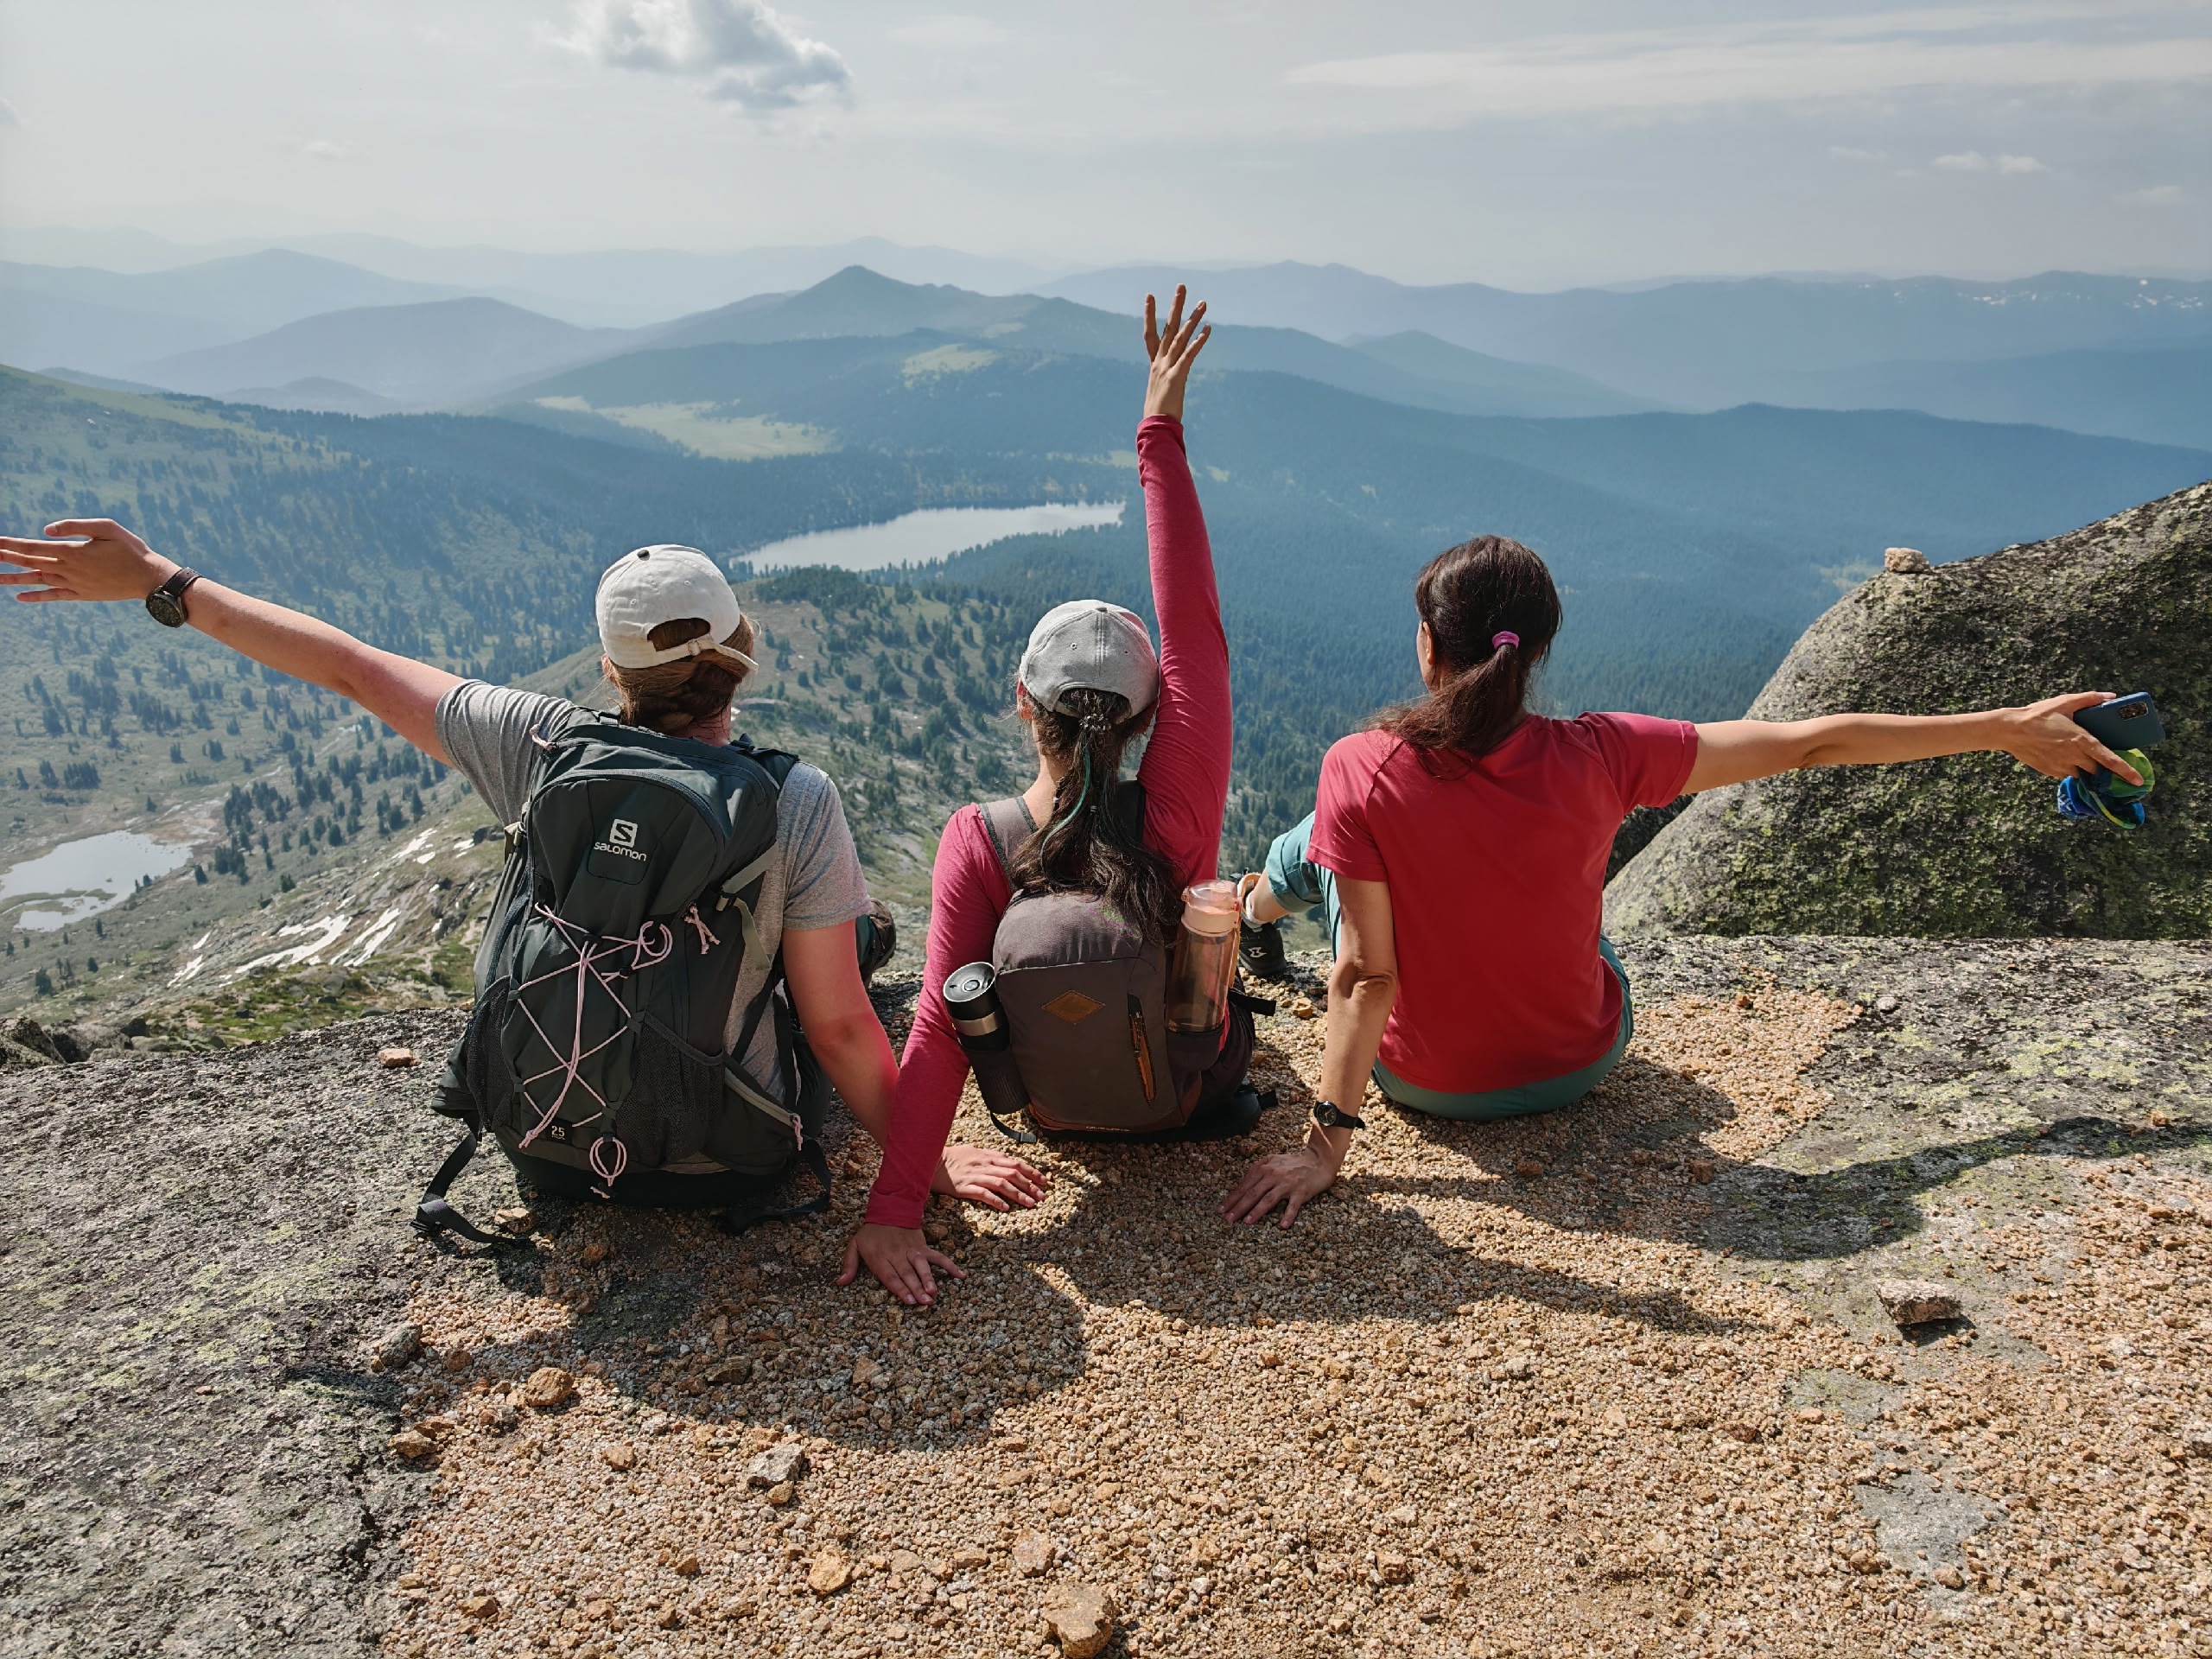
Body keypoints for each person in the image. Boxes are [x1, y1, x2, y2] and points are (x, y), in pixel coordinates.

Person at [0, 520, 1039, 1213]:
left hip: (543, 1145)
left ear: (608, 669)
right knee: (851, 948)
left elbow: (349, 666)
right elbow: (840, 1025)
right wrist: (926, 1160)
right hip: (728, 1157)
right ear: (741, 653)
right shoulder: (794, 800)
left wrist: (162, 582)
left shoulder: (537, 747)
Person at [1222, 533, 2145, 1227]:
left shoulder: (1362, 764)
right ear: (1532, 652)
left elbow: (1363, 978)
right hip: (1582, 1061)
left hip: (1429, 1083)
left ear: (1428, 646)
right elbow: (1812, 741)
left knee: (1329, 835)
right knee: (1438, 861)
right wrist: (2006, 725)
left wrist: (1323, 1147)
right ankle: (1258, 905)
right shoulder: (1607, 754)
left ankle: (1248, 911)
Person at [839, 285, 1227, 1306]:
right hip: (1182, 1097)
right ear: (1149, 721)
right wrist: (1159, 430)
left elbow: (935, 1027)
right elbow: (1193, 619)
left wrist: (893, 1211)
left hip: (1047, 1111)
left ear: (1022, 703)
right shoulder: (1177, 807)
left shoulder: (979, 839)